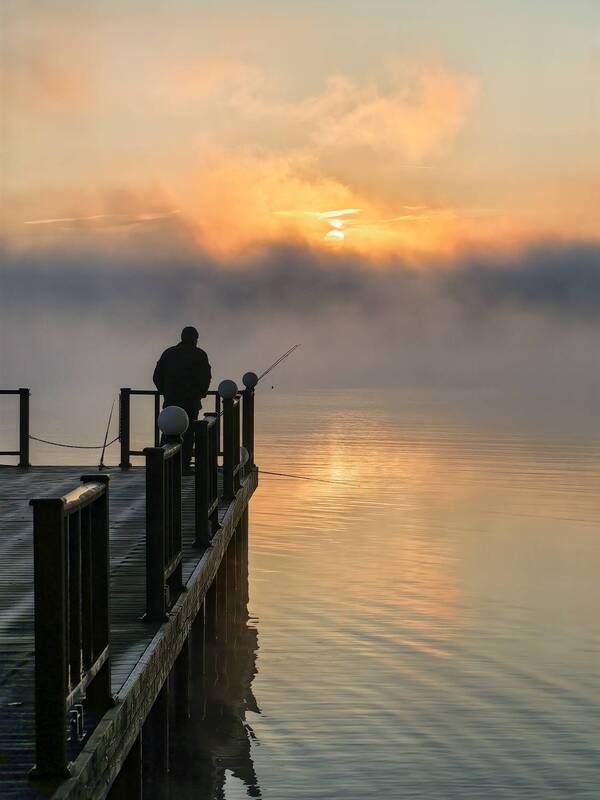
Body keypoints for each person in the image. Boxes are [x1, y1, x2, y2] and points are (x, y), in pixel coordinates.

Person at [153, 326, 212, 472]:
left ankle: (164, 464)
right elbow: (206, 378)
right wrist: (201, 393)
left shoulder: (168, 353)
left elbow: (156, 376)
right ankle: (183, 465)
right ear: (195, 339)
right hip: (191, 402)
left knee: (168, 430)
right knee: (188, 432)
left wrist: (165, 391)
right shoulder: (200, 355)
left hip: (171, 401)